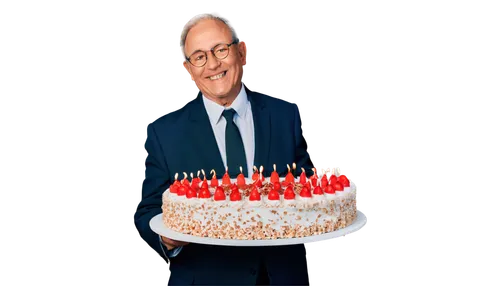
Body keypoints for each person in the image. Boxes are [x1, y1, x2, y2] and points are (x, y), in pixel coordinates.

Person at [134, 11, 314, 286]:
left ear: (242, 52)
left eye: (220, 49)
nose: (212, 64)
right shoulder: (164, 132)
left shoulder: (285, 115)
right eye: (199, 57)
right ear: (188, 69)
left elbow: (305, 190)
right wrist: (166, 238)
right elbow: (148, 210)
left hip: (282, 277)